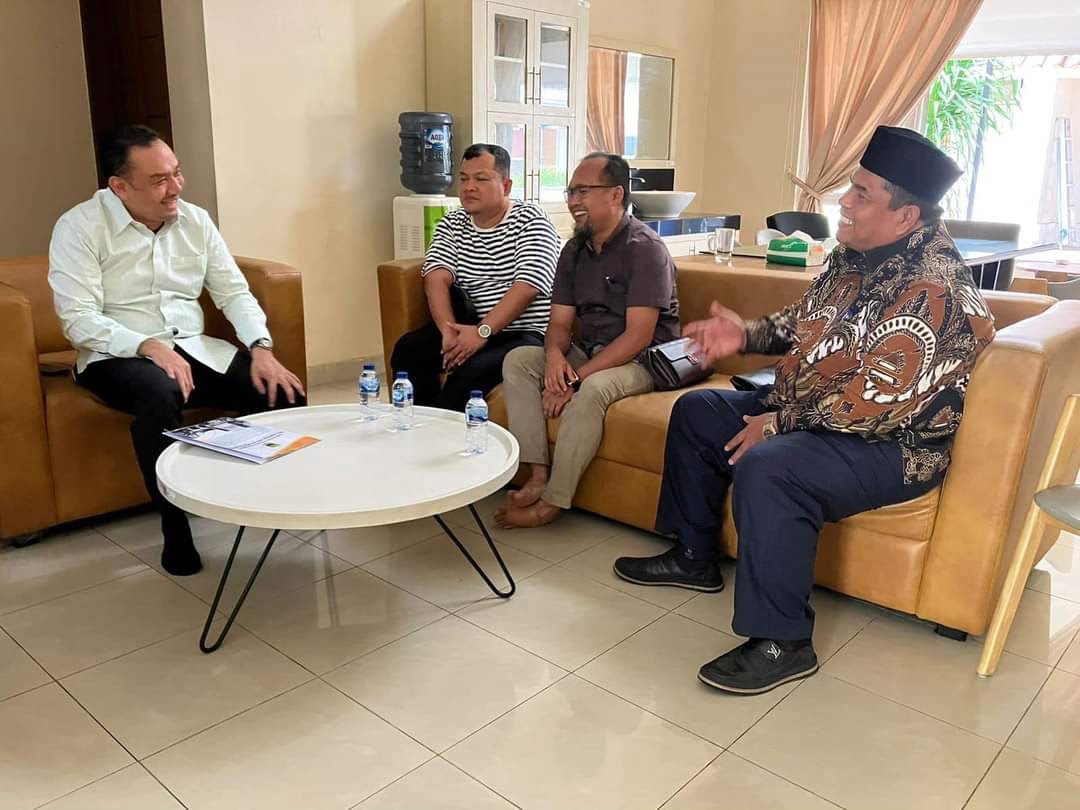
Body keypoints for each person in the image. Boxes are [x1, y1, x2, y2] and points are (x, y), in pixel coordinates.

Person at [613, 126, 996, 695]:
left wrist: (777, 424)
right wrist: (741, 334)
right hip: (817, 410)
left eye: (862, 194)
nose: (845, 202)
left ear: (905, 216)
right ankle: (693, 556)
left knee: (773, 466)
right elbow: (804, 325)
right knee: (699, 411)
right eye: (851, 188)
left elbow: (877, 403)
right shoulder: (854, 256)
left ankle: (784, 641)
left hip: (895, 444)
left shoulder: (935, 288)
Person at [48, 125, 305, 577]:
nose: (175, 188)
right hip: (114, 355)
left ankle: (255, 499)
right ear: (119, 187)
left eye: (177, 173)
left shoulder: (195, 220)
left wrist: (261, 347)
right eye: (159, 180)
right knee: (159, 392)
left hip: (193, 348)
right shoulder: (79, 227)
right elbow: (78, 318)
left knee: (283, 392)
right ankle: (175, 525)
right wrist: (146, 345)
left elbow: (233, 292)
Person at [496, 152, 680, 529]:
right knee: (519, 360)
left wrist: (574, 380)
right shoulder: (574, 250)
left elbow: (638, 336)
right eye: (570, 192)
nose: (573, 201)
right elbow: (560, 322)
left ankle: (552, 503)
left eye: (582, 191)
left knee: (593, 389)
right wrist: (554, 359)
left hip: (643, 359)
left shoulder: (645, 249)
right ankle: (537, 474)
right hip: (592, 350)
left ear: (616, 194)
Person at [390, 143, 560, 411]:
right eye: (464, 179)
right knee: (409, 349)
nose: (469, 187)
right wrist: (447, 331)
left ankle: (443, 428)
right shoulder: (452, 223)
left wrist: (482, 332)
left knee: (470, 373)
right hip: (469, 324)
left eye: (481, 179)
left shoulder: (531, 220)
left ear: (506, 186)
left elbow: (528, 286)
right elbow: (436, 277)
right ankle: (416, 424)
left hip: (523, 333)